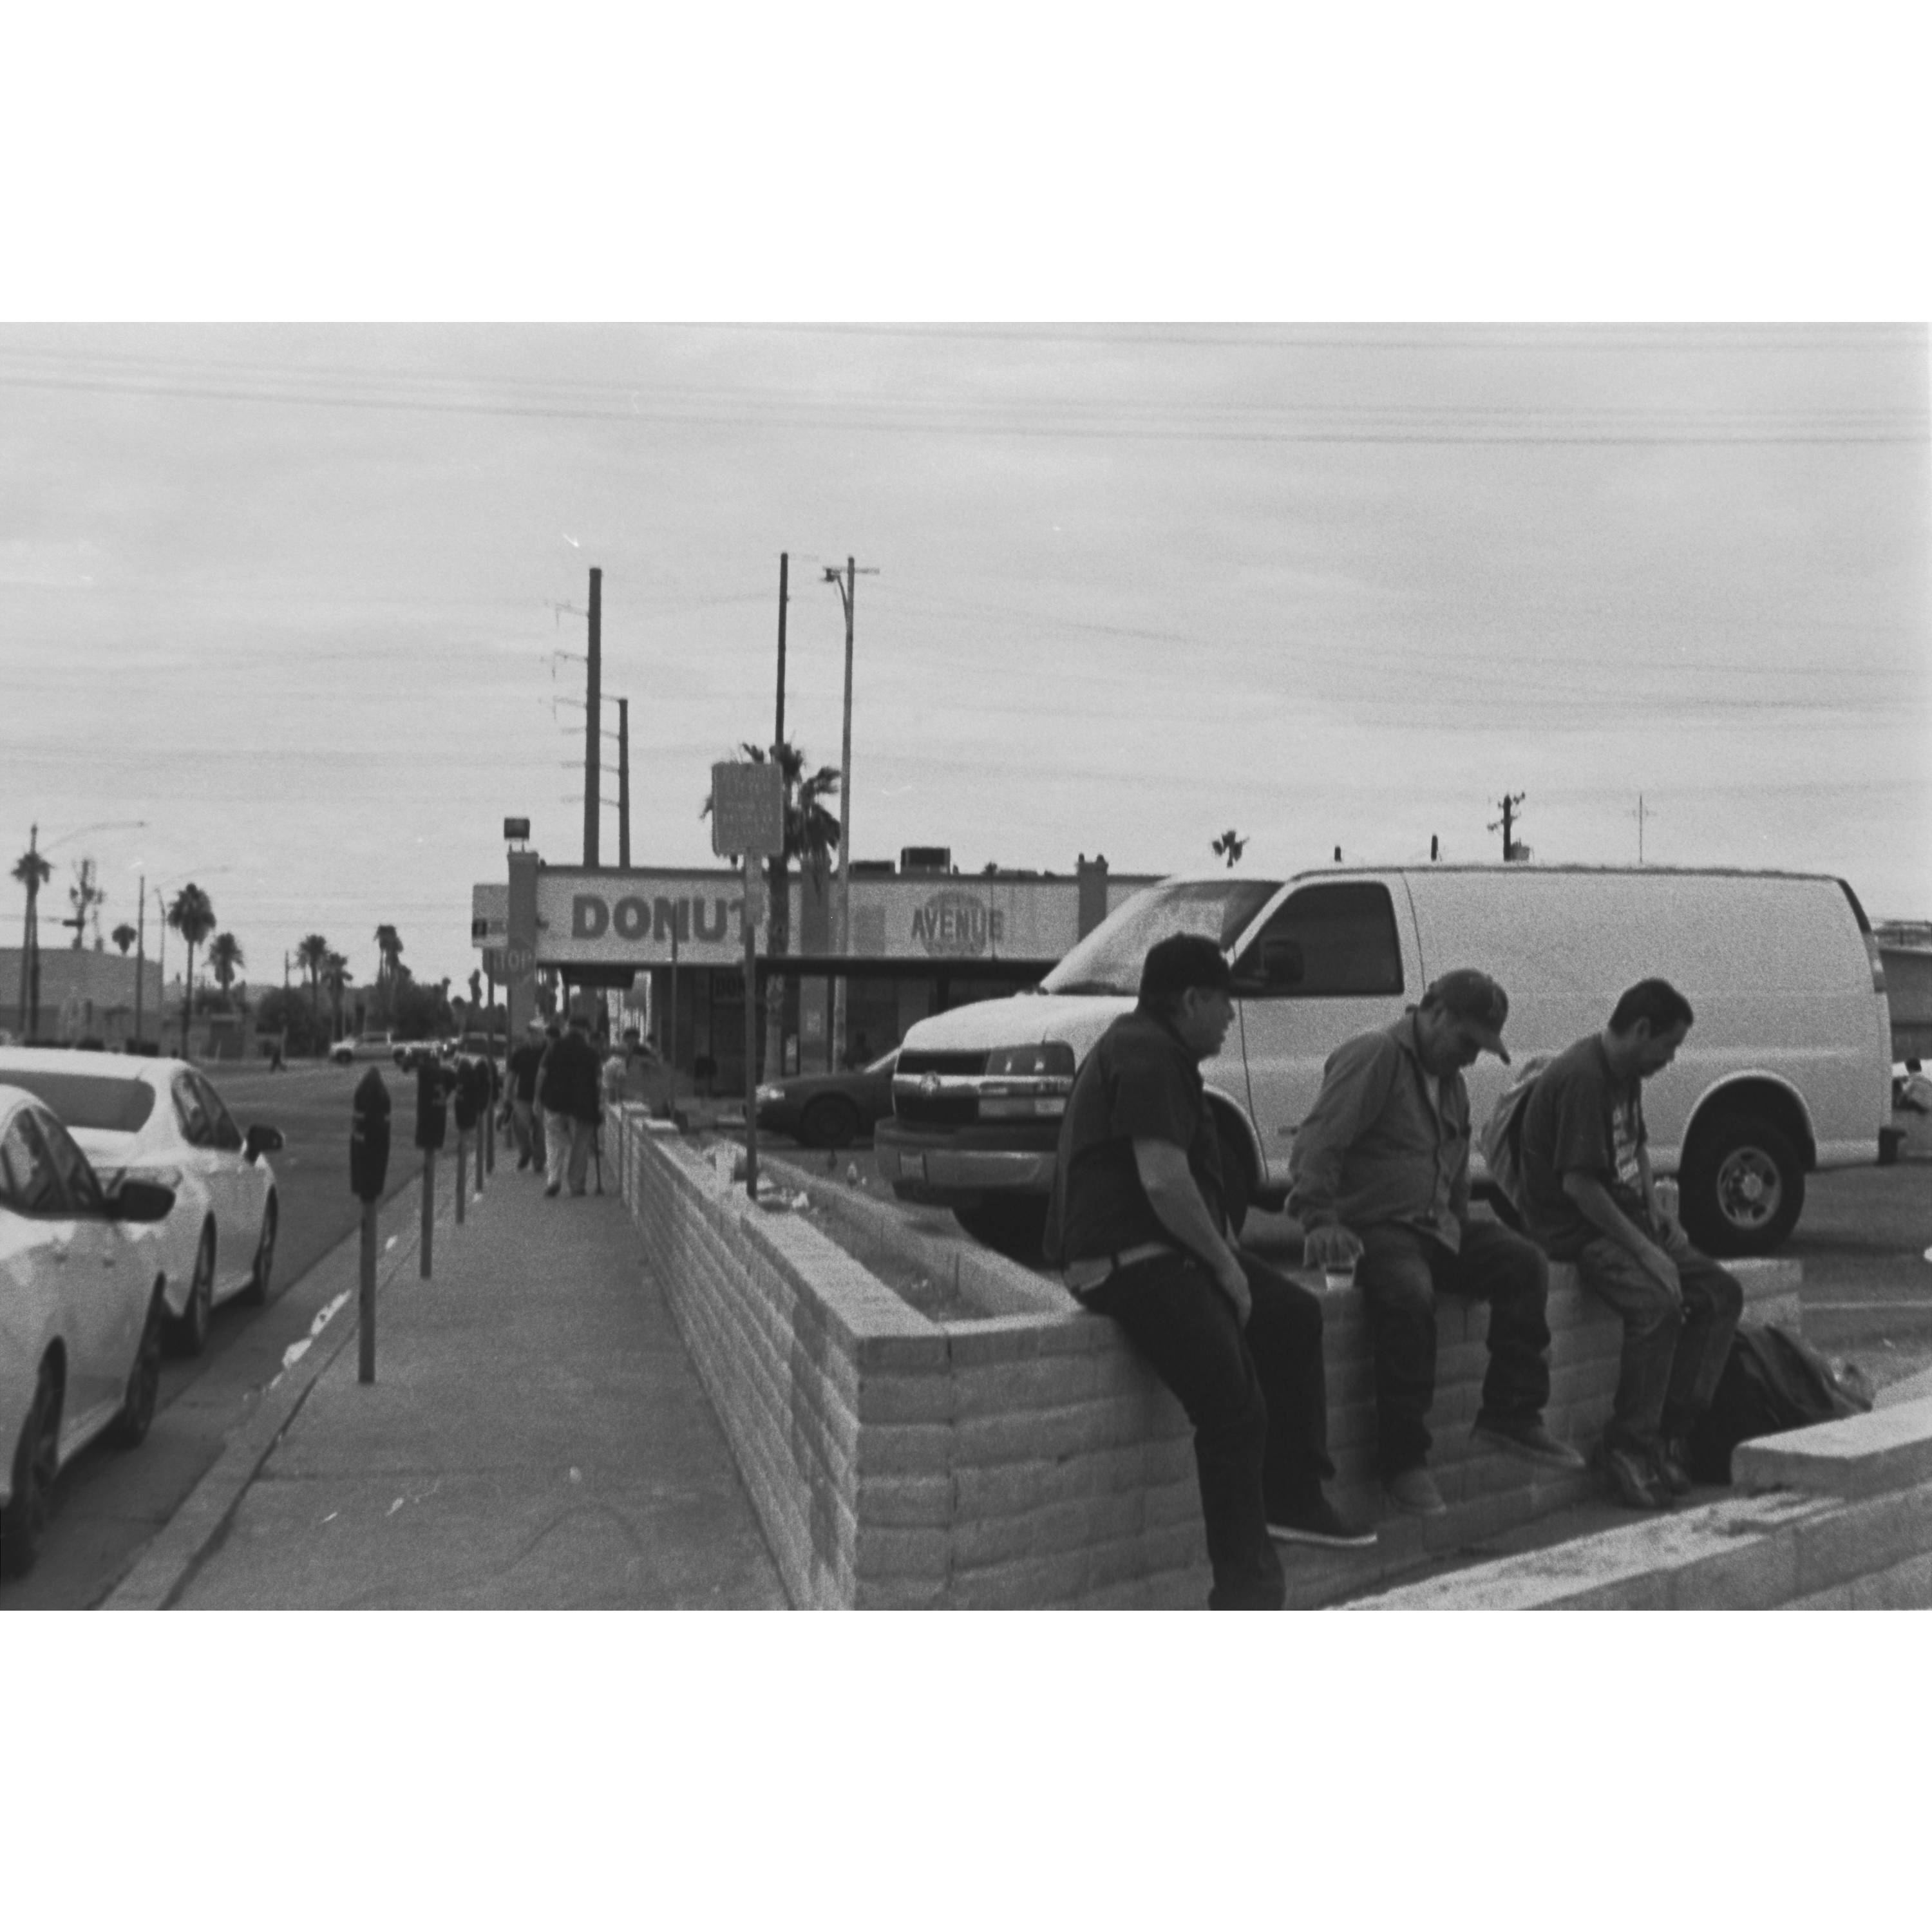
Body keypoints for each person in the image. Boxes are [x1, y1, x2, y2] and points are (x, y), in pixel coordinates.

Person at [1045, 934, 1372, 1613]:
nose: (1231, 1017)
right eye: (1224, 1002)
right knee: (1232, 1408)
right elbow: (1162, 1181)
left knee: (1293, 1316)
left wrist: (1233, 1263)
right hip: (1125, 1261)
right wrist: (1230, 1272)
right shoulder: (1145, 1051)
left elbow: (1191, 1183)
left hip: (1165, 1250)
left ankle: (1293, 1495)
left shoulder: (1163, 1054)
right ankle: (1245, 1596)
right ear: (1190, 1000)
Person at [1287, 969, 1584, 1519]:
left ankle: (1512, 1413)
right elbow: (1318, 1142)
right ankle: (1403, 1462)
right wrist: (1320, 1220)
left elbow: (1455, 1171)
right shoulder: (1375, 1056)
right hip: (1377, 1225)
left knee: (1522, 1261)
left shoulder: (1450, 1082)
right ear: (1436, 1014)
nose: (1471, 1058)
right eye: (1467, 1042)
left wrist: (1458, 1228)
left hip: (1432, 1227)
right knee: (1408, 1297)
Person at [1516, 978, 1744, 1509]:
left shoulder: (1625, 1074)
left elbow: (1634, 1147)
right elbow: (1580, 1187)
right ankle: (1628, 1443)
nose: (1670, 1059)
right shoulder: (1583, 1078)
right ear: (1642, 1030)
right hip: (1580, 1231)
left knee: (1720, 1294)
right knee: (1658, 1305)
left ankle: (1671, 1430)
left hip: (1627, 1219)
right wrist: (1648, 1254)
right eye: (1669, 1045)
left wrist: (1655, 1211)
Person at [538, 1010, 603, 1197]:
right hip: (583, 1106)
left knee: (553, 1142)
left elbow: (542, 1074)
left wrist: (538, 1099)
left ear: (568, 1028)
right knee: (580, 1146)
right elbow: (599, 1082)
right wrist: (598, 1104)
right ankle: (576, 1185)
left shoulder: (554, 1048)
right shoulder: (591, 1054)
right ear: (585, 1031)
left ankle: (554, 1179)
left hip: (554, 1102)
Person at [506, 1018, 548, 1171]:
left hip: (545, 1099)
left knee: (541, 1132)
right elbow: (511, 1075)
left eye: (536, 1033)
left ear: (543, 1035)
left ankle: (539, 1161)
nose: (533, 1036)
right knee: (520, 1126)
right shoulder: (520, 1052)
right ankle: (526, 1151)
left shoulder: (549, 1051)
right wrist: (507, 1096)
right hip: (523, 1097)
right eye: (531, 1033)